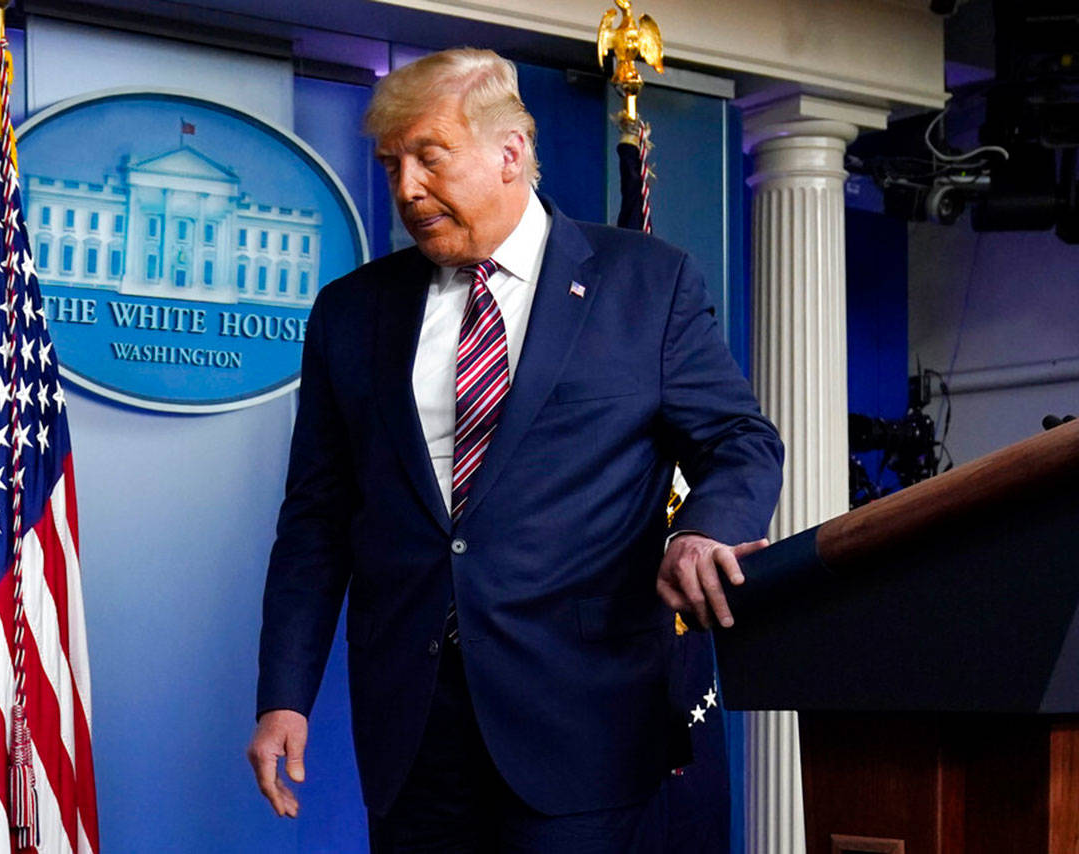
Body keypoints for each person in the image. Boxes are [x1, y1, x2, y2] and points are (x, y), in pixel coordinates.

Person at [247, 47, 783, 852]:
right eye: (392, 165)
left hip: (585, 722)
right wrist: (284, 695)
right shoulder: (349, 313)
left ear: (510, 153)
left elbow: (740, 439)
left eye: (430, 158)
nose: (407, 190)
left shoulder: (647, 283)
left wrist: (703, 528)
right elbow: (318, 521)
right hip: (412, 734)